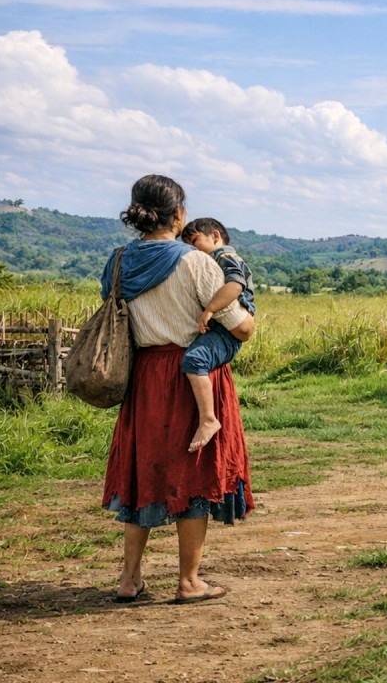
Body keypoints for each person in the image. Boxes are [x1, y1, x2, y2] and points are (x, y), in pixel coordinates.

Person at [99, 174, 257, 605]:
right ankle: (189, 581)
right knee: (194, 475)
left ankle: (129, 579)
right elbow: (240, 328)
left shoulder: (116, 262)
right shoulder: (196, 263)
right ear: (179, 214)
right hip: (191, 375)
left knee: (143, 471)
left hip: (144, 377)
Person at [179, 218, 256, 453]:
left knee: (194, 360)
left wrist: (210, 309)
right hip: (221, 329)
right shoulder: (212, 259)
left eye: (195, 241)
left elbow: (235, 286)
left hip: (228, 331)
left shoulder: (225, 257)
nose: (192, 249)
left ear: (215, 236)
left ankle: (208, 419)